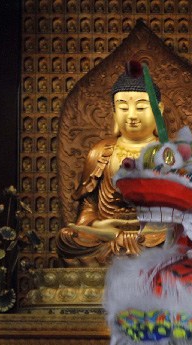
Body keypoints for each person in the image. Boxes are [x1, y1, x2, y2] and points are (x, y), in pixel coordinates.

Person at [58, 61, 167, 265]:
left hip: (154, 237)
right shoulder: (100, 152)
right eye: (123, 107)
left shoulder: (170, 153)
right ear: (114, 112)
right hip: (107, 237)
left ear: (158, 109)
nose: (132, 115)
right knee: (67, 237)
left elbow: (180, 212)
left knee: (184, 238)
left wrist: (145, 233)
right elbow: (88, 209)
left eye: (141, 107)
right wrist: (104, 228)